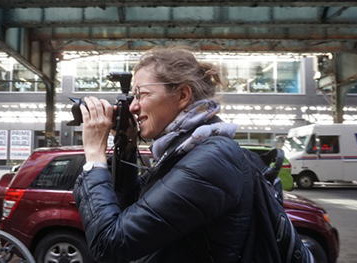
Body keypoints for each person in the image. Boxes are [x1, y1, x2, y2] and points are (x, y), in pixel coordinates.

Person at [73, 46, 254, 263]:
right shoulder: (185, 150)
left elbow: (110, 244)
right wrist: (127, 149)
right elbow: (129, 209)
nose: (133, 107)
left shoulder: (212, 160)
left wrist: (94, 156)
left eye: (142, 94)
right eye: (133, 96)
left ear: (182, 95)